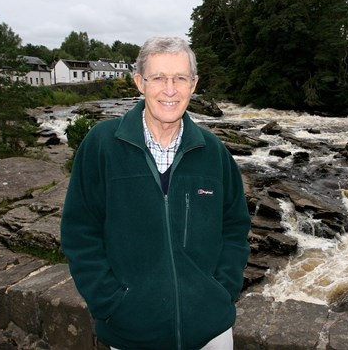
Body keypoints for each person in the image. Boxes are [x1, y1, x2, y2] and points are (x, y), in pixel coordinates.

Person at [61, 36, 251, 350]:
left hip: (211, 332)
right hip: (131, 334)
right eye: (158, 78)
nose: (170, 89)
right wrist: (112, 304)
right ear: (139, 82)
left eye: (180, 78)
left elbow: (234, 227)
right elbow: (80, 232)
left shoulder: (214, 151)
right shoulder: (102, 145)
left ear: (194, 83)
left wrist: (222, 290)